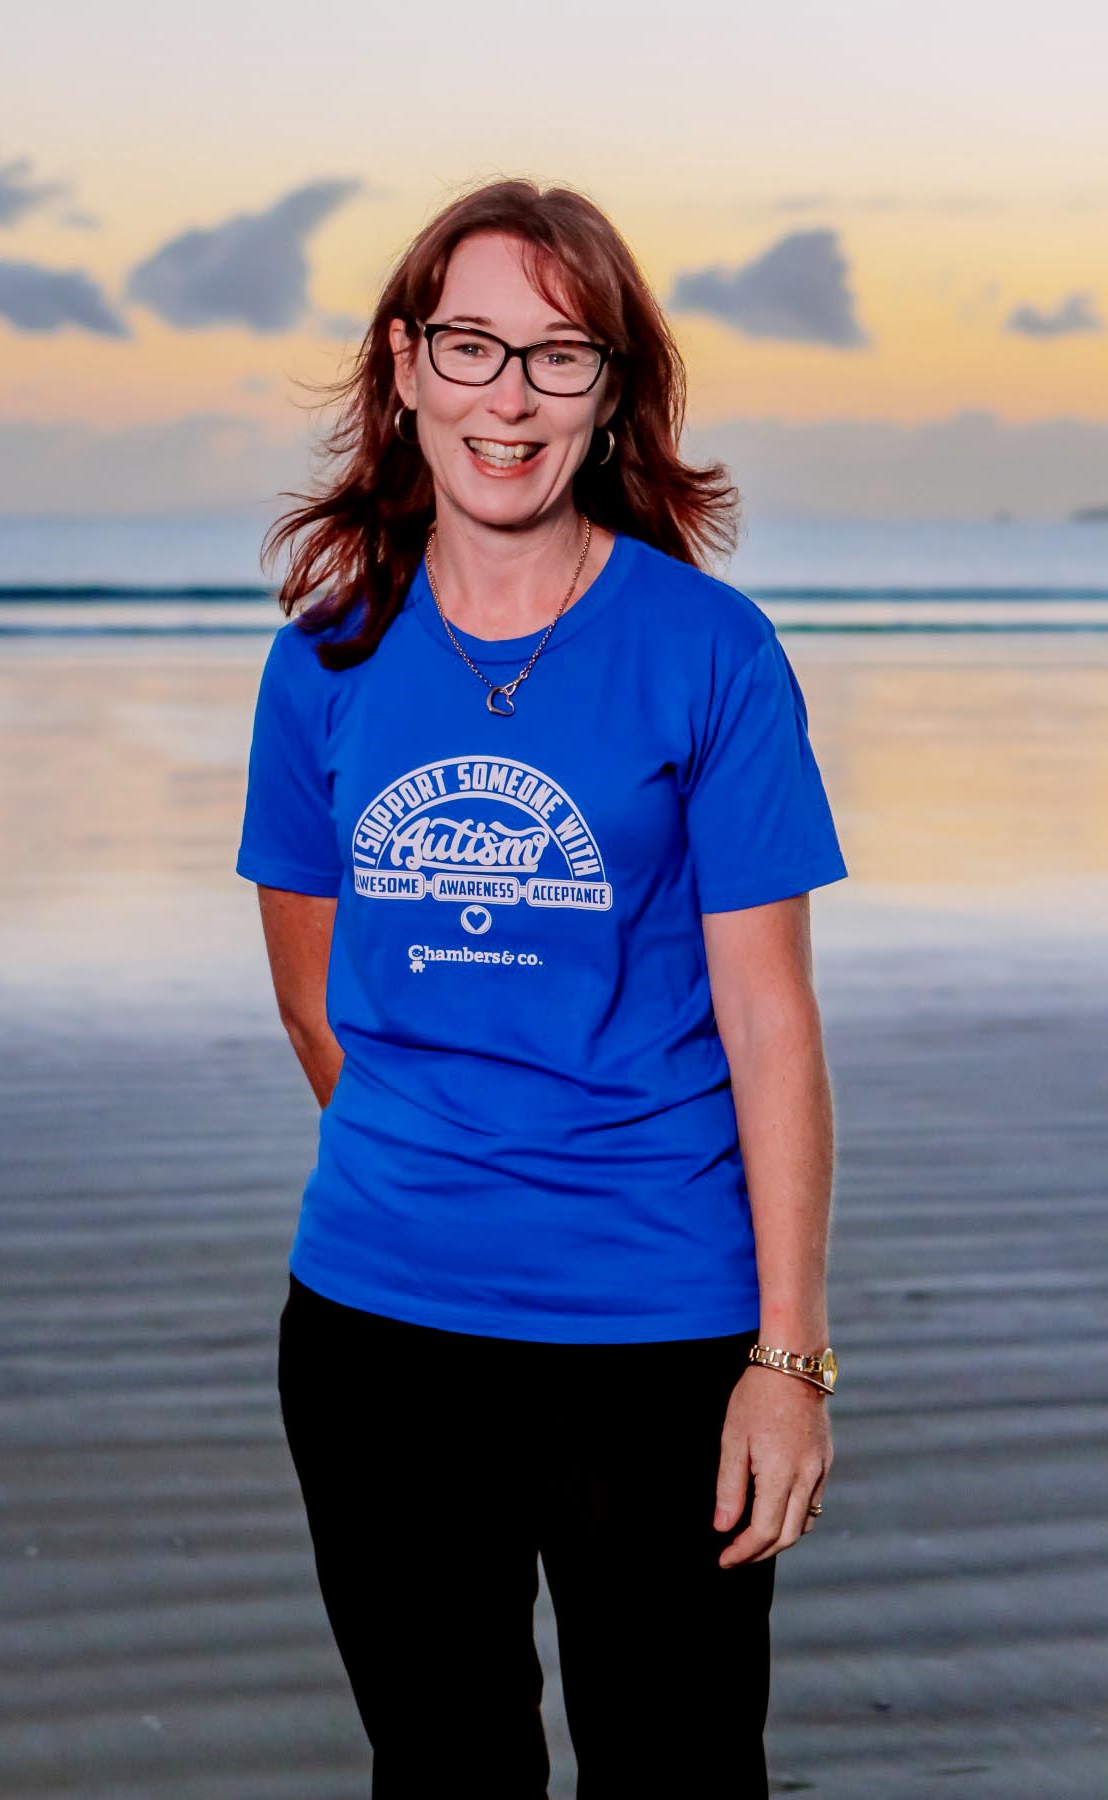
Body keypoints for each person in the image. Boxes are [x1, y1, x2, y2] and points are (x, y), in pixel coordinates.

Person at [235, 176, 848, 1799]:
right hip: (376, 1336)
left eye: (559, 357)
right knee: (442, 1770)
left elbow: (772, 1025)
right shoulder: (326, 660)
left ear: (613, 389)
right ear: (404, 364)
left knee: (681, 1771)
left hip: (659, 1334)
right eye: (473, 346)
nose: (509, 397)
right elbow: (317, 1004)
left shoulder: (710, 652)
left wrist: (788, 1363)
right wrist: (448, 1177)